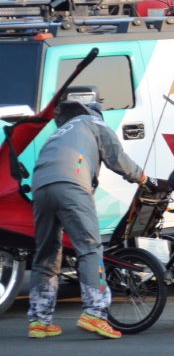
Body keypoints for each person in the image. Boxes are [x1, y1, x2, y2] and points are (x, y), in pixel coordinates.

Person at [27, 100, 146, 340]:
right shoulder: (94, 123)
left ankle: (40, 320)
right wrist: (142, 178)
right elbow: (117, 158)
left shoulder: (58, 133)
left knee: (47, 253)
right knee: (89, 248)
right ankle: (94, 313)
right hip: (71, 185)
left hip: (40, 189)